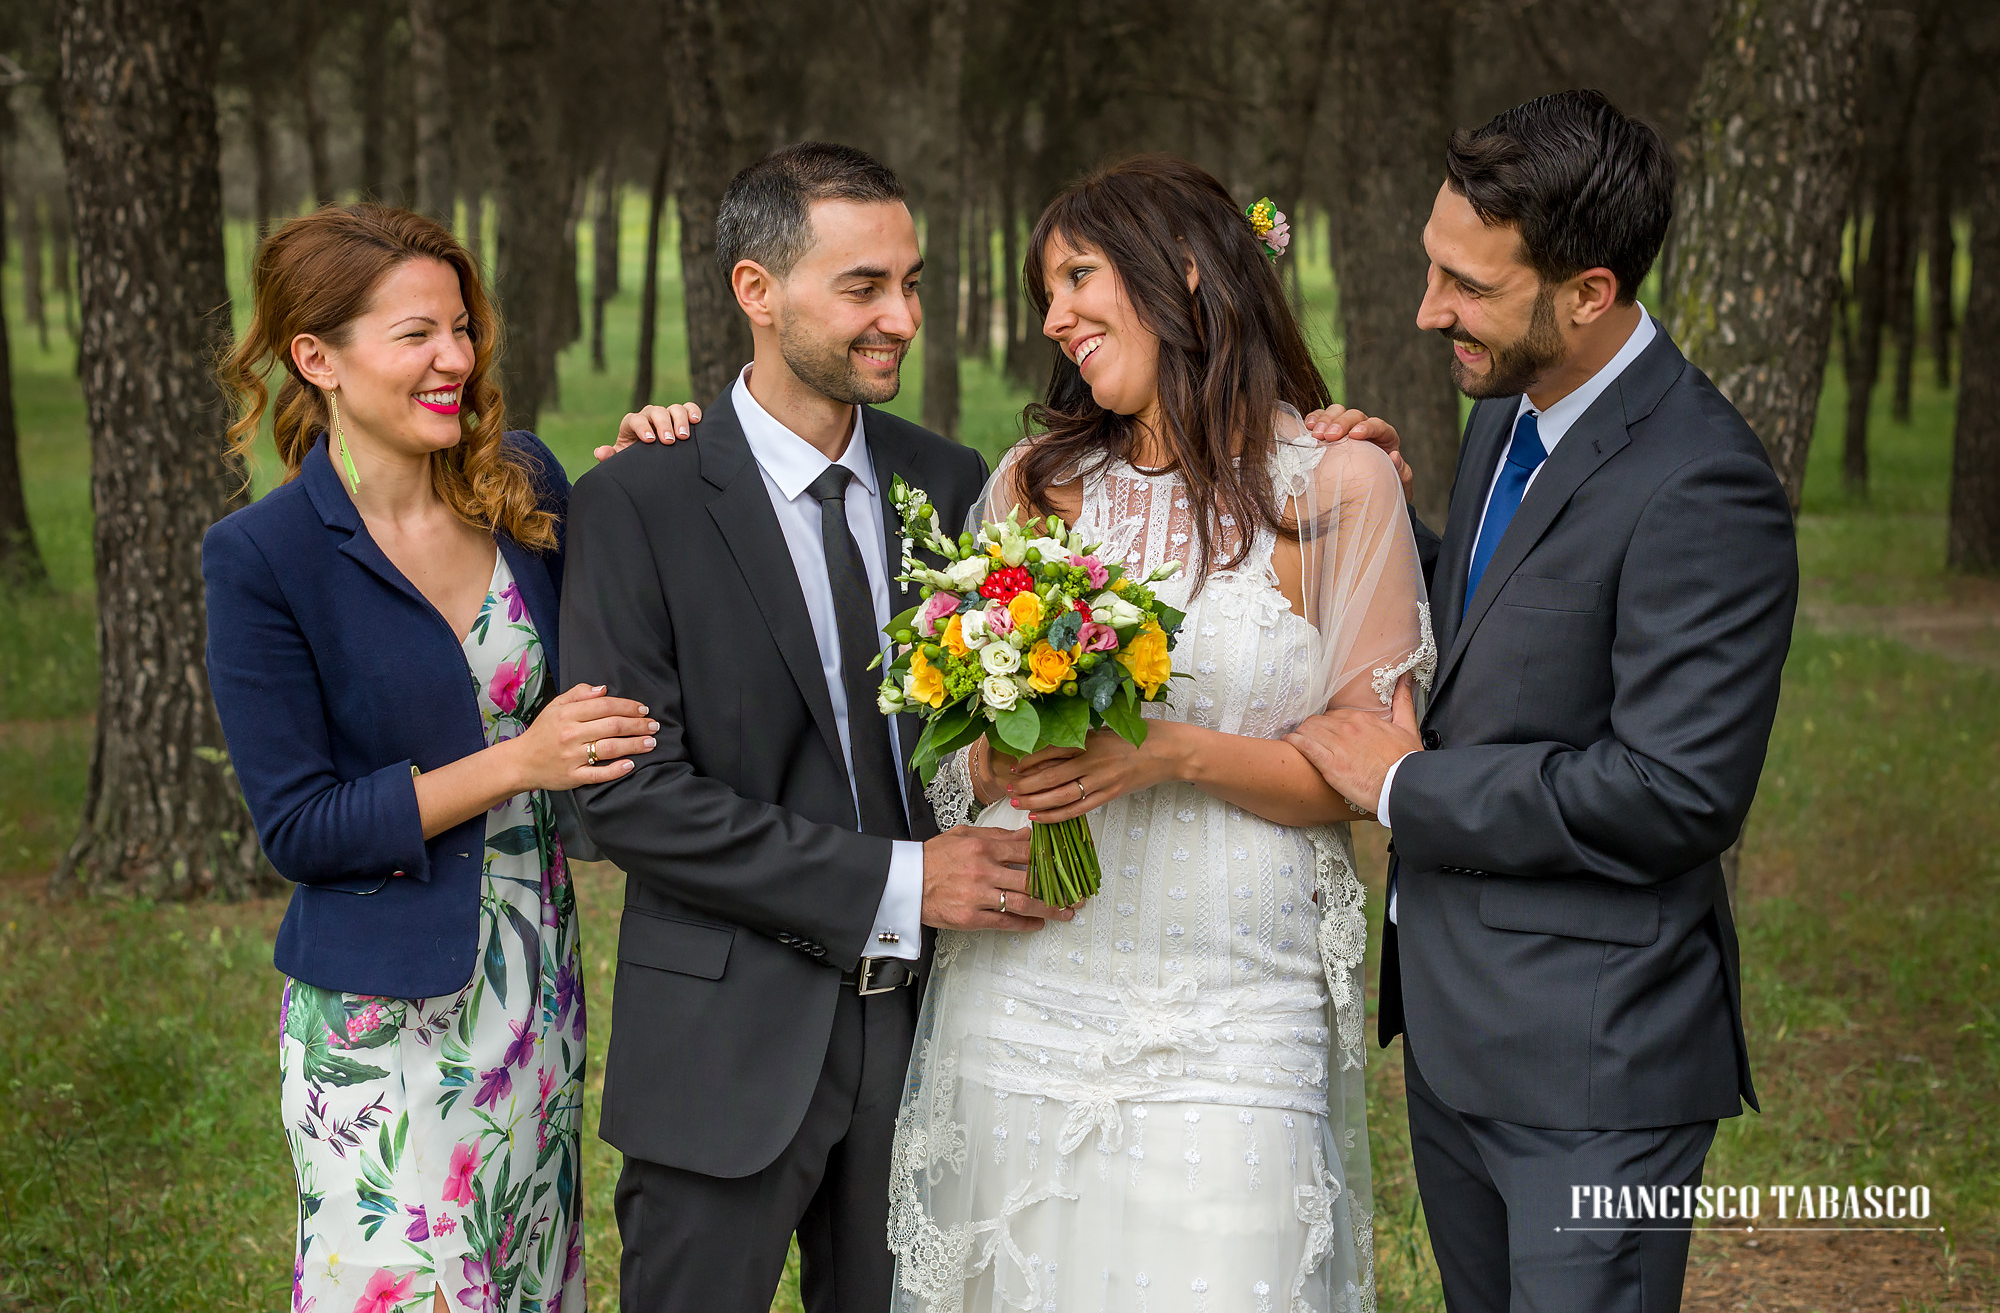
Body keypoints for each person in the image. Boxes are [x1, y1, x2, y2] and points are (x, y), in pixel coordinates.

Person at [879, 155, 1431, 1312]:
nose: (1053, 316)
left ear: (1183, 271)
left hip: (1234, 1002)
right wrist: (1002, 754)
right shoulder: (1035, 483)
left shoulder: (1337, 486)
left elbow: (1363, 773)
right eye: (1046, 290)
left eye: (1078, 275)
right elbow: (952, 753)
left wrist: (1166, 752)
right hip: (1030, 981)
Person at [1288, 90, 1799, 1313]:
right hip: (1463, 1040)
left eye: (1466, 285)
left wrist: (1401, 784)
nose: (1428, 311)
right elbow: (1506, 624)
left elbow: (1670, 792)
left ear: (1589, 291)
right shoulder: (1511, 409)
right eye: (1431, 268)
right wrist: (1379, 519)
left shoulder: (1703, 484)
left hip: (1593, 1073)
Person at [558, 142, 1055, 1313]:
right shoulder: (639, 498)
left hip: (932, 1040)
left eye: (912, 283)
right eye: (864, 286)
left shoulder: (949, 479)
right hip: (721, 1043)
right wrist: (901, 881)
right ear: (756, 291)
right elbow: (630, 796)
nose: (902, 317)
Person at [202, 203, 695, 1313]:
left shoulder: (521, 485)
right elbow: (300, 827)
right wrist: (520, 760)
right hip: (380, 1021)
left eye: (461, 329)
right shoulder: (262, 558)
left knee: (524, 1277)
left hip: (536, 987)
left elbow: (632, 643)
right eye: (416, 334)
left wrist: (649, 475)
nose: (454, 360)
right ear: (315, 357)